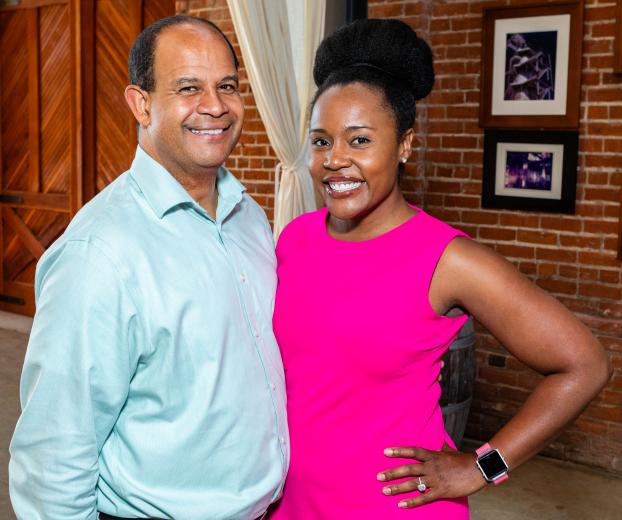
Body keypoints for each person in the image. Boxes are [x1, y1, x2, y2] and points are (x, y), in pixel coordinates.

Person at [269, 18, 611, 518]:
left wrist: (480, 468)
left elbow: (585, 365)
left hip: (393, 506)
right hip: (292, 502)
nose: (335, 160)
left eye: (359, 141)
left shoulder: (448, 259)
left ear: (405, 144)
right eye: (321, 141)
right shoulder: (295, 238)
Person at [9, 16, 288, 520]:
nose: (215, 106)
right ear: (141, 104)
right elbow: (52, 459)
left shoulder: (248, 217)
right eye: (188, 88)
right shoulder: (100, 253)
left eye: (227, 86)